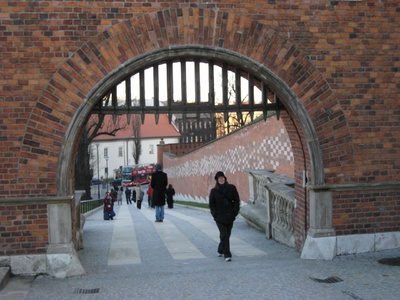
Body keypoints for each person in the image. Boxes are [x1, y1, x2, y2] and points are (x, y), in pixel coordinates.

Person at [209, 171, 240, 262]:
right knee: (223, 234)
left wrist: (235, 212)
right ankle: (227, 254)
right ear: (217, 180)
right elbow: (212, 204)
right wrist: (215, 214)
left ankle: (220, 249)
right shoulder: (214, 191)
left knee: (227, 234)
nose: (221, 179)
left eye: (222, 178)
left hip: (230, 215)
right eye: (219, 178)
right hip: (219, 217)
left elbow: (237, 201)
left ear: (225, 178)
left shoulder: (232, 188)